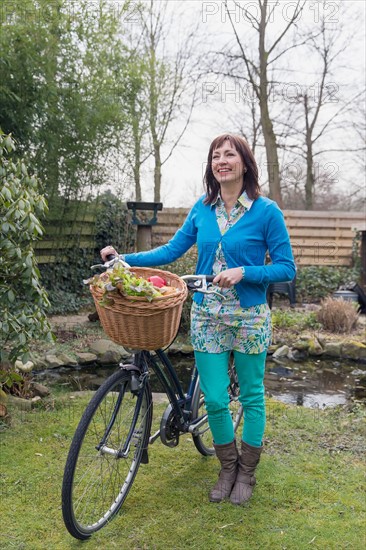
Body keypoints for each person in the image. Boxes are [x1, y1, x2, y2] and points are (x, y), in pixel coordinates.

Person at [101, 133, 296, 505]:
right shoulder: (202, 209)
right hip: (207, 315)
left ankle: (247, 474)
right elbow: (173, 250)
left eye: (230, 155)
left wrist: (245, 272)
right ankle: (227, 468)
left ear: (244, 163)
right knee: (218, 399)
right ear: (211, 166)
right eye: (216, 156)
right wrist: (125, 259)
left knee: (252, 397)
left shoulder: (265, 211)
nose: (222, 161)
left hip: (250, 317)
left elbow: (287, 268)